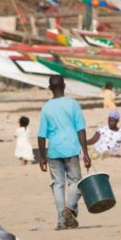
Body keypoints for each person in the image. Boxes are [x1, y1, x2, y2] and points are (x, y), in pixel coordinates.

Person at [38, 75, 91, 230]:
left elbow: (41, 135)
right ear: (65, 85)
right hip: (71, 148)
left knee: (57, 184)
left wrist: (42, 157)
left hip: (54, 150)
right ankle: (70, 209)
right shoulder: (73, 104)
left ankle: (62, 220)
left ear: (49, 89)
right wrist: (85, 153)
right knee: (76, 182)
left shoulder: (46, 107)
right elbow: (80, 129)